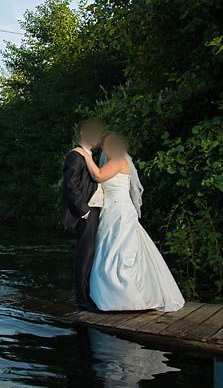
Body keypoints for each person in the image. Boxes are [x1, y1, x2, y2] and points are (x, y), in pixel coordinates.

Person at [72, 132, 184, 312]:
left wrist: (85, 155)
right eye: (106, 146)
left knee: (122, 252)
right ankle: (109, 296)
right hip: (110, 211)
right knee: (107, 252)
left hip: (120, 212)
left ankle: (128, 298)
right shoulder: (111, 162)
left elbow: (99, 176)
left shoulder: (118, 161)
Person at [61, 118, 105, 311]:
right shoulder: (75, 155)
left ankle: (87, 296)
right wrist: (84, 211)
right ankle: (82, 300)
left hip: (93, 210)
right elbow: (70, 185)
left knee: (90, 255)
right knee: (84, 256)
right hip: (86, 212)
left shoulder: (87, 155)